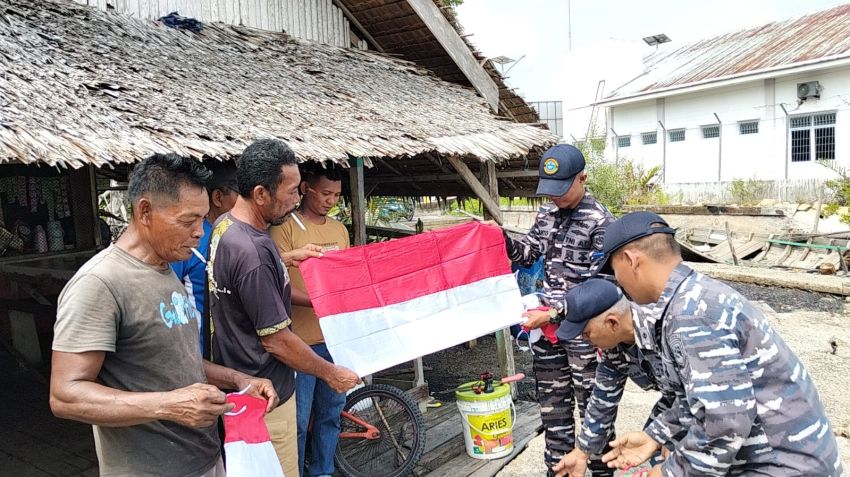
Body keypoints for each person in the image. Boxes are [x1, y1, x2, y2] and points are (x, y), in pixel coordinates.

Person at [50, 153, 278, 477]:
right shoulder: (100, 284)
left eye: (202, 219)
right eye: (188, 221)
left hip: (204, 459)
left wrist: (239, 380)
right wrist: (171, 406)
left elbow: (175, 359)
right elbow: (65, 395)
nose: (200, 232)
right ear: (145, 211)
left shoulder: (165, 267)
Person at [599, 211, 845, 476]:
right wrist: (656, 435)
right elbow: (704, 398)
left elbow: (724, 423)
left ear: (631, 260)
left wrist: (671, 472)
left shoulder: (691, 314)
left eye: (614, 270)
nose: (619, 281)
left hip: (783, 465)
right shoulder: (692, 297)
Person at [207, 139, 361, 477]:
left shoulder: (226, 228)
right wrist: (330, 373)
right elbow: (275, 340)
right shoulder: (253, 250)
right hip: (267, 394)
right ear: (261, 193)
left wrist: (289, 257)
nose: (296, 198)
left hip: (241, 387)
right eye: (291, 191)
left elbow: (249, 275)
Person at [500, 144, 615, 476]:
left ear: (583, 179)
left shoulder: (601, 221)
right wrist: (502, 239)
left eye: (562, 190)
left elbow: (602, 287)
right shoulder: (546, 214)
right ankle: (558, 470)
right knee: (553, 411)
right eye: (550, 191)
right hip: (547, 334)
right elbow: (526, 254)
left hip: (586, 334)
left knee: (594, 414)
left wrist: (554, 313)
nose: (555, 198)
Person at [270, 162, 349, 477]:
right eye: (326, 193)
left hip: (335, 339)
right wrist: (319, 301)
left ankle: (323, 471)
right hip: (299, 343)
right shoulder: (285, 228)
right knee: (299, 420)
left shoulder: (339, 229)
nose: (331, 201)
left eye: (337, 195)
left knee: (331, 414)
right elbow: (276, 285)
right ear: (305, 189)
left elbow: (346, 277)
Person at [551, 279, 677, 477]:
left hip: (725, 404)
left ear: (612, 322)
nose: (585, 341)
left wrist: (675, 435)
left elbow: (707, 396)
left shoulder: (670, 329)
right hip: (676, 403)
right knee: (653, 456)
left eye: (587, 334)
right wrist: (581, 453)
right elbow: (602, 400)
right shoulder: (614, 350)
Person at [171, 160, 239, 355]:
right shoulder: (189, 241)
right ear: (218, 197)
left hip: (231, 351)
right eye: (240, 195)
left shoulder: (236, 236)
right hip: (199, 352)